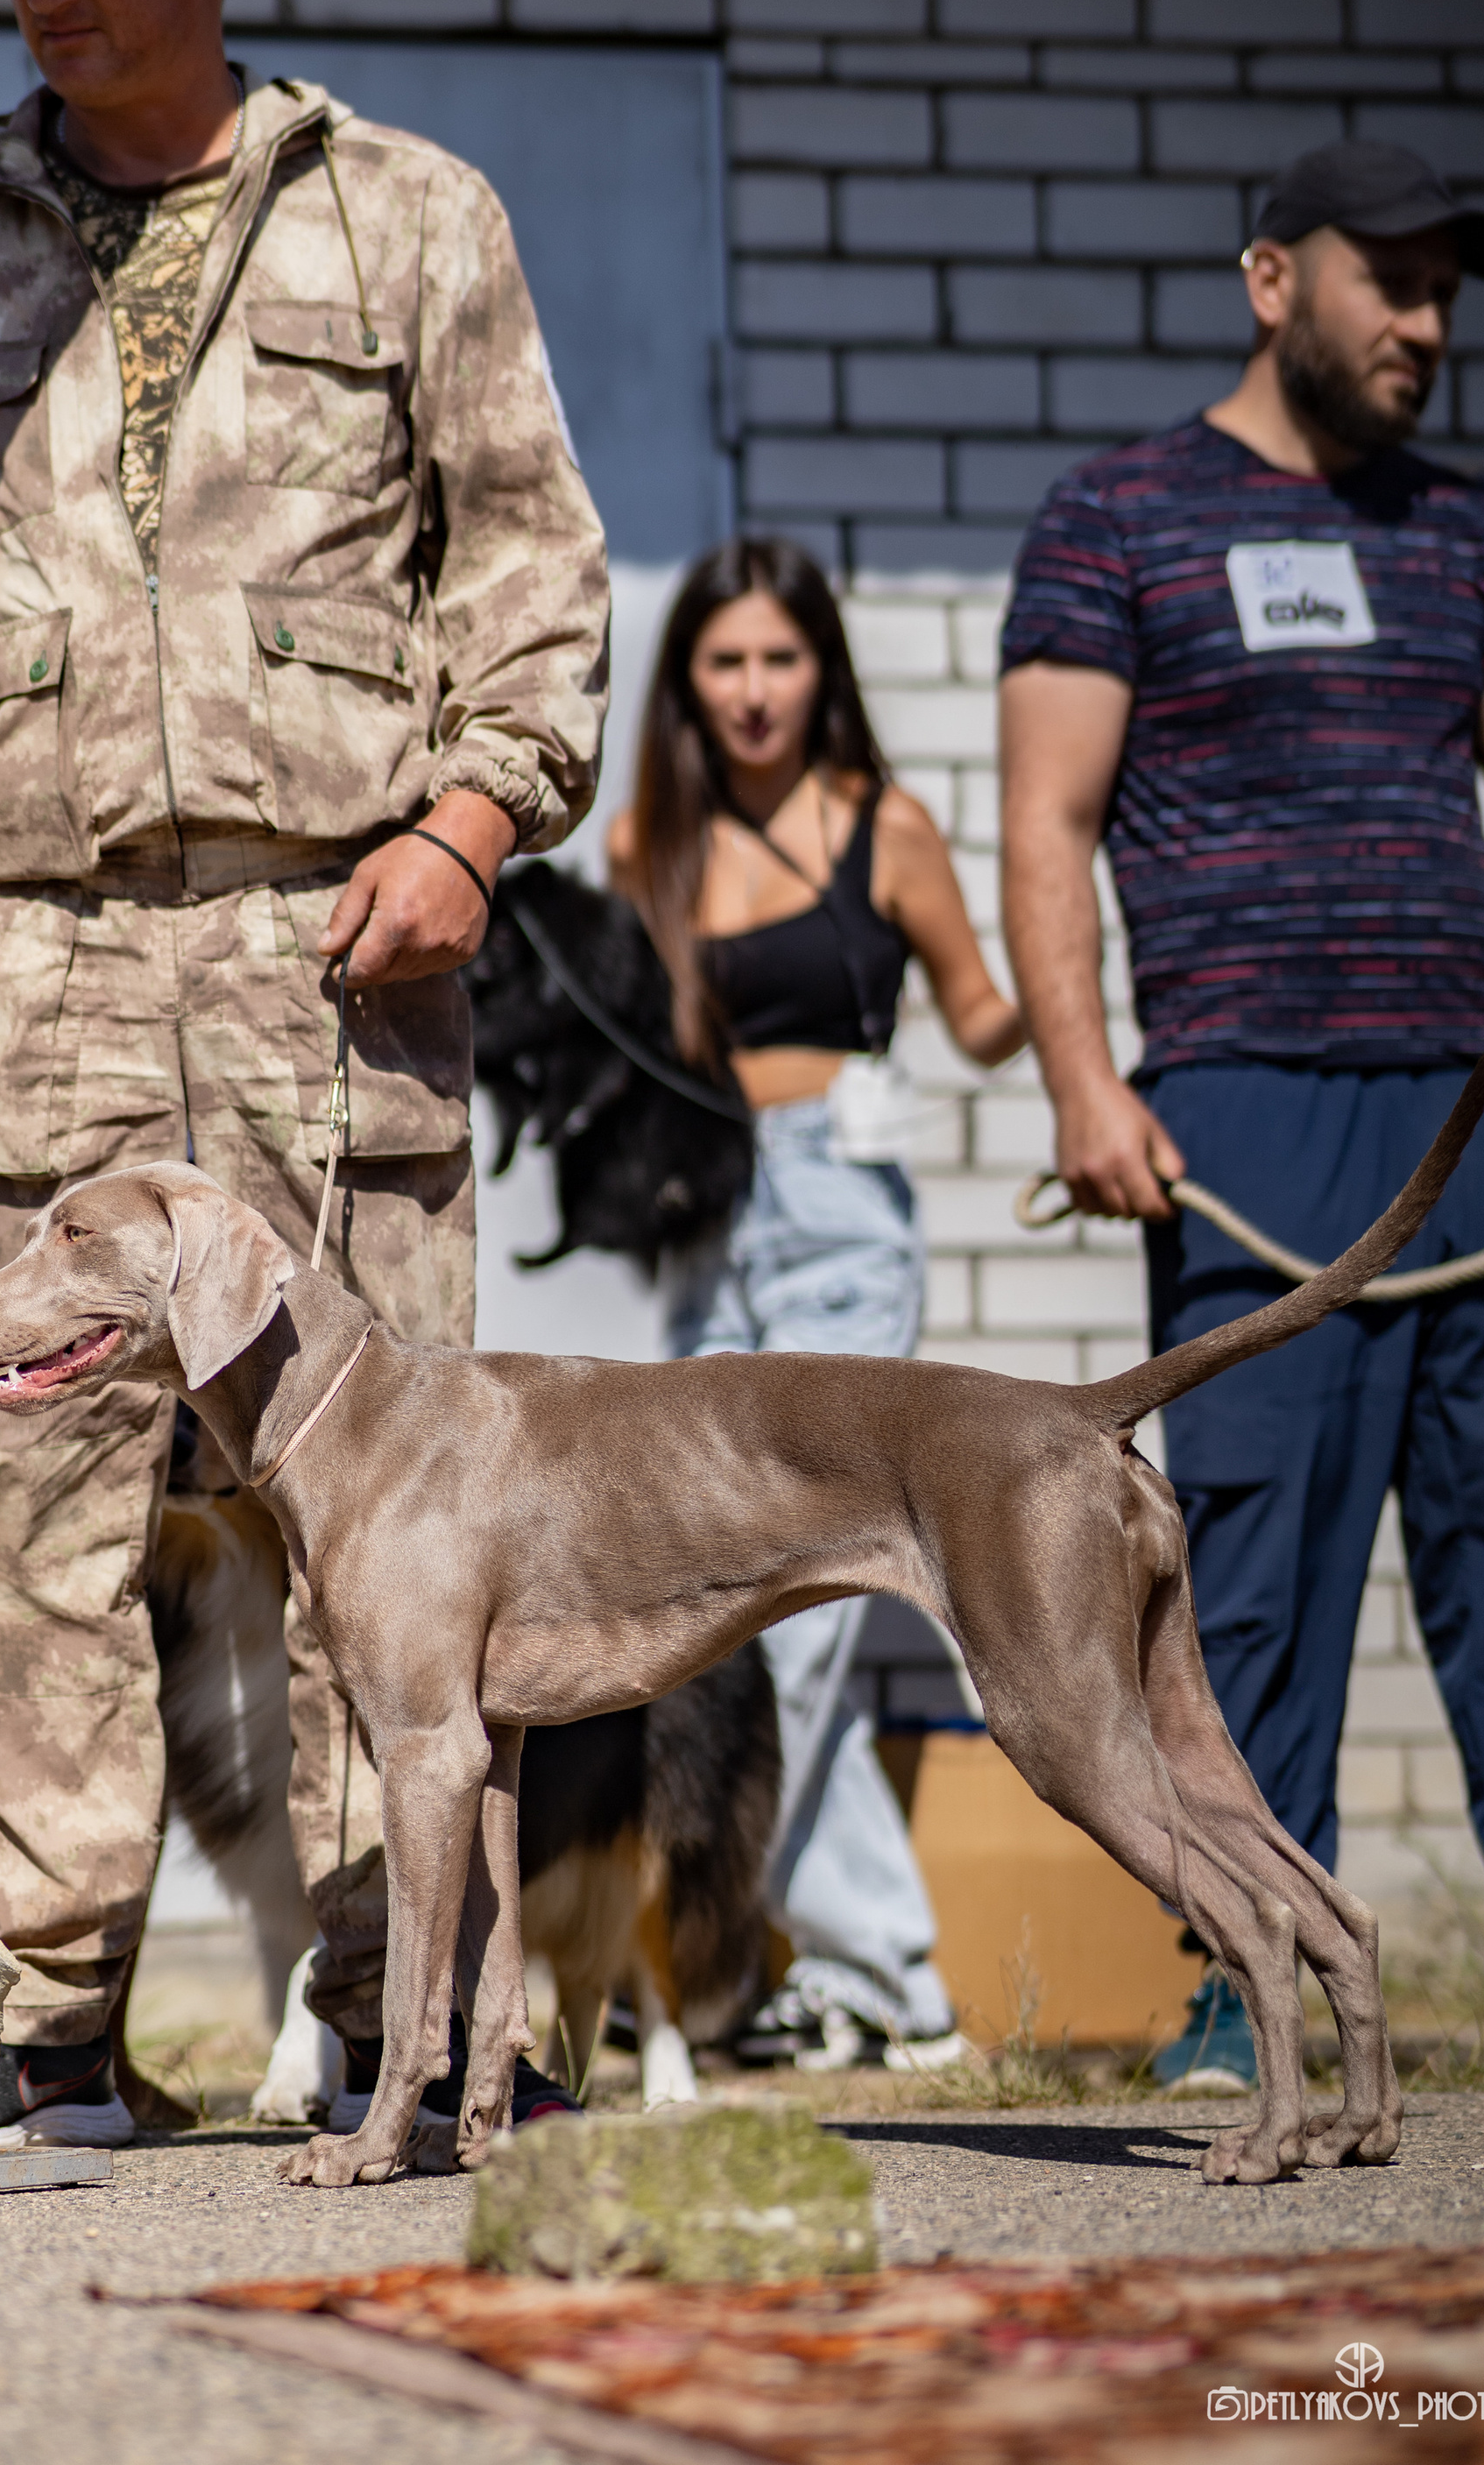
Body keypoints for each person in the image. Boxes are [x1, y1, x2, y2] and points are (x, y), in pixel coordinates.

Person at [0, 0, 610, 2148]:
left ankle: (415, 1998)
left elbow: (539, 583)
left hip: (326, 960)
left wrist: (475, 823)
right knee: (18, 1506)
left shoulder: (413, 224)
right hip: (26, 968)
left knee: (389, 1512)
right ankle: (39, 2004)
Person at [998, 139, 1484, 2087]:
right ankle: (1245, 1981)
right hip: (1239, 1121)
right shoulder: (1114, 519)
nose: (1421, 324)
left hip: (1481, 1119)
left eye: (1442, 293)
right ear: (1269, 280)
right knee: (1241, 1568)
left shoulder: (1472, 536)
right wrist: (1084, 1078)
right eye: (1384, 283)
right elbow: (1045, 821)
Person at [610, 536, 1022, 2066]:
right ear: (690, 681)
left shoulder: (886, 825)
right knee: (754, 1614)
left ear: (823, 670)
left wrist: (1063, 981)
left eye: (782, 659)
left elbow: (981, 1011)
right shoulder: (645, 840)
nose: (755, 690)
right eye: (726, 661)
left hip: (848, 1216)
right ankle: (886, 1984)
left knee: (800, 1603)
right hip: (706, 1223)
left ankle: (717, 1968)